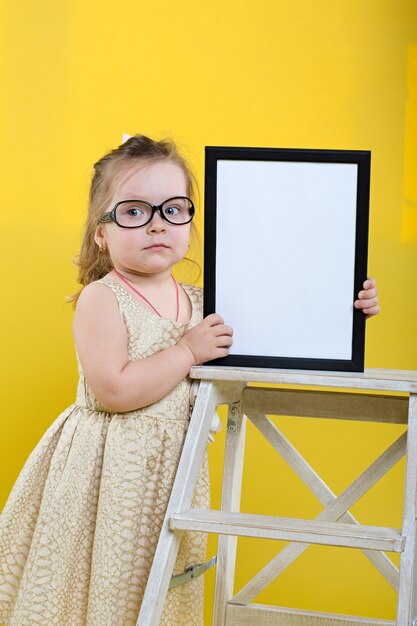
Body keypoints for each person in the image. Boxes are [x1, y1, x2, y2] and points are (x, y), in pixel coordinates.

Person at [0, 134, 380, 626]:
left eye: (173, 209)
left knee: (155, 584)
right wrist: (185, 350)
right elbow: (112, 390)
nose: (157, 223)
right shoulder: (104, 298)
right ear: (101, 232)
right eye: (135, 211)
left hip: (172, 478)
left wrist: (344, 309)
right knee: (106, 581)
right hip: (107, 477)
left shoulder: (202, 301)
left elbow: (278, 330)